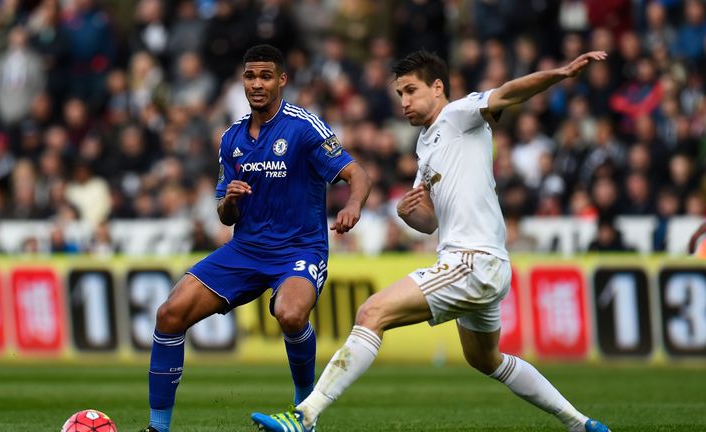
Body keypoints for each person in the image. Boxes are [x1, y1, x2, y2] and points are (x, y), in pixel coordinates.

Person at [252, 50, 612, 432]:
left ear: (437, 87)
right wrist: (411, 214)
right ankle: (579, 422)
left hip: (471, 261)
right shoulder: (425, 145)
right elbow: (430, 223)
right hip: (481, 263)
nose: (404, 101)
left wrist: (561, 72)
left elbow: (508, 93)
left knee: (372, 313)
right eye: (399, 94)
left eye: (410, 90)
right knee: (485, 360)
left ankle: (305, 416)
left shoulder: (460, 114)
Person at [141, 44, 371, 432]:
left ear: (282, 80)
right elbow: (224, 214)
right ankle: (157, 428)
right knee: (169, 315)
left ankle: (304, 413)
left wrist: (353, 206)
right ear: (242, 81)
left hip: (299, 249)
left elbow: (356, 173)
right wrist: (229, 199)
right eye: (250, 76)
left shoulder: (303, 127)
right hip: (245, 250)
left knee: (290, 313)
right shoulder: (231, 139)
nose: (257, 84)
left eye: (266, 76)